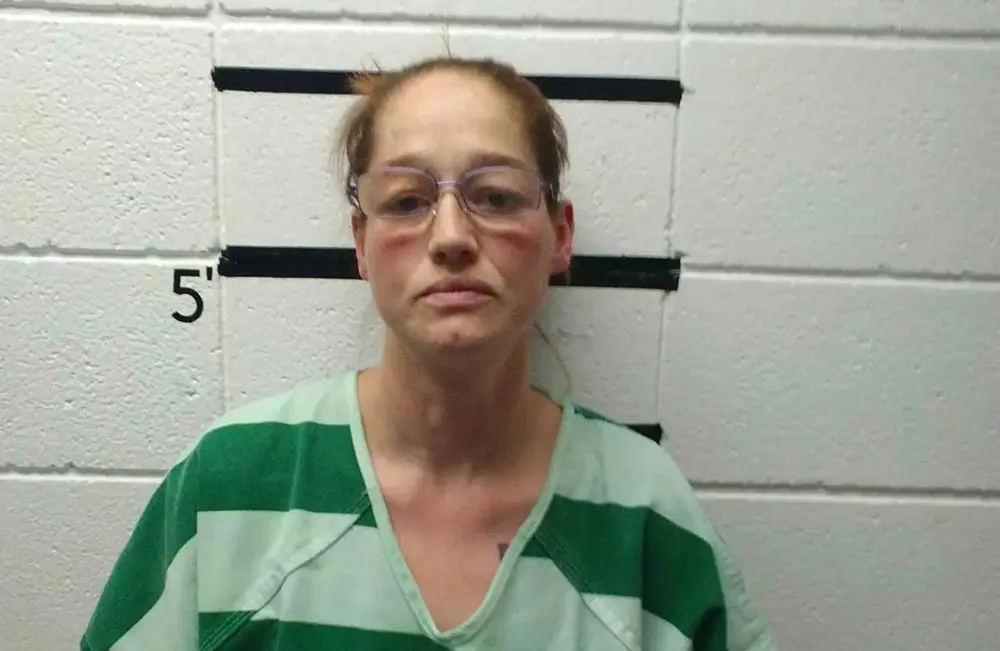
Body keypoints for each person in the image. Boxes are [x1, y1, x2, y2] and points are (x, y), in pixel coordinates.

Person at [80, 55, 778, 651]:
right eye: (407, 200)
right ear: (360, 241)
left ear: (560, 236)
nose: (450, 237)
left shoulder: (647, 513)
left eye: (496, 196)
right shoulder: (228, 485)